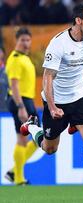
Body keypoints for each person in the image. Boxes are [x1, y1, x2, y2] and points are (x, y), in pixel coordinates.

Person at [19, 3, 83, 203]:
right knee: (49, 149)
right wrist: (52, 107)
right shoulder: (58, 44)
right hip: (58, 101)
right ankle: (33, 127)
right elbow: (48, 78)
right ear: (79, 20)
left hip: (80, 96)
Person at [4, 28, 38, 185]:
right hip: (20, 101)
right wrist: (21, 107)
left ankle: (14, 172)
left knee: (32, 139)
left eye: (28, 40)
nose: (25, 43)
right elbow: (14, 85)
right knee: (30, 139)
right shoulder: (15, 59)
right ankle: (17, 177)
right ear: (16, 41)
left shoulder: (25, 58)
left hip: (26, 100)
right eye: (22, 40)